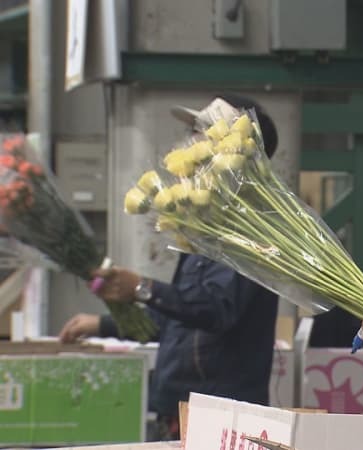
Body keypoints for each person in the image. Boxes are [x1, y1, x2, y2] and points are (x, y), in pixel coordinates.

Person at [59, 94, 280, 440]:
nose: (188, 144)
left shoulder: (249, 229)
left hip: (219, 416)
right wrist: (104, 323)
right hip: (181, 407)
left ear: (239, 153)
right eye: (192, 132)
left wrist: (142, 287)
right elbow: (180, 317)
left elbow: (216, 309)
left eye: (201, 134)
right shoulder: (206, 225)